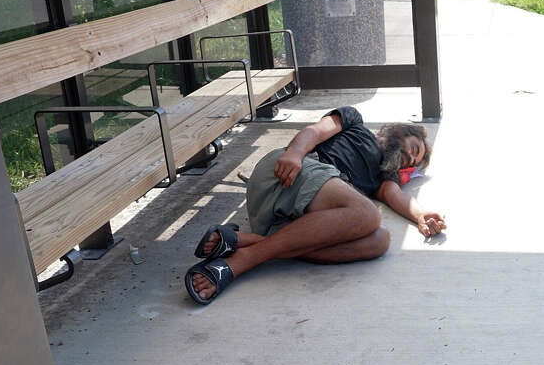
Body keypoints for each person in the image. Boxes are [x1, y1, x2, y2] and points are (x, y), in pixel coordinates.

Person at [185, 106, 445, 305]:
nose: (409, 157)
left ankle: (243, 241)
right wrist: (295, 153)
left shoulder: (382, 179)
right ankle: (243, 260)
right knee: (367, 214)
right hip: (287, 174)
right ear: (399, 132)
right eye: (413, 148)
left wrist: (421, 216)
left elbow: (396, 195)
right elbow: (316, 131)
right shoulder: (355, 123)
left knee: (380, 241)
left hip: (285, 220)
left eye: (413, 160)